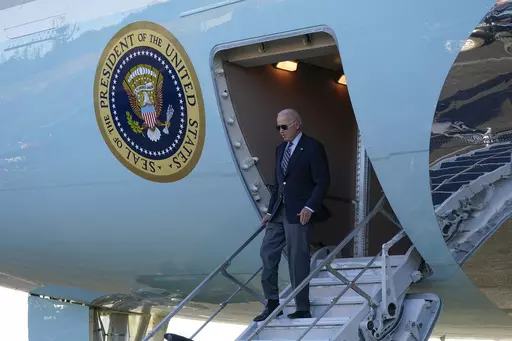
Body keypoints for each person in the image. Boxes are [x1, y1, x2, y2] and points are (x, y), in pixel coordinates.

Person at [253, 108, 330, 322]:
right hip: (279, 212)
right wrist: (270, 211)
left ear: (297, 124)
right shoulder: (280, 149)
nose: (280, 131)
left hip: (299, 213)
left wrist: (310, 207)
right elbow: (278, 184)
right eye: (278, 127)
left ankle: (302, 307)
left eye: (284, 126)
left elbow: (322, 182)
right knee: (267, 254)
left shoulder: (313, 148)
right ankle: (272, 303)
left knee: (298, 261)